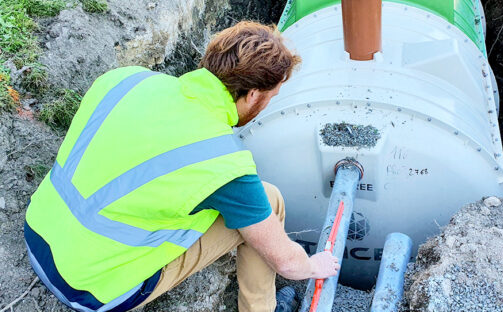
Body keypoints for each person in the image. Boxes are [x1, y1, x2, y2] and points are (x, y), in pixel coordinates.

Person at [23, 21, 340, 312]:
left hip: (38, 235)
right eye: (271, 96)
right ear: (254, 94)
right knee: (269, 201)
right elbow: (286, 263)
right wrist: (313, 265)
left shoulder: (125, 79)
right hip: (93, 288)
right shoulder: (223, 163)